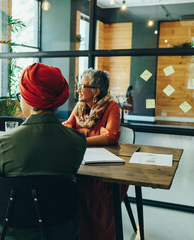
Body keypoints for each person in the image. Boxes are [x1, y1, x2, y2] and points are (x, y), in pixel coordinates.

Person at [0, 62, 87, 240]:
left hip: (10, 233)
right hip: (60, 232)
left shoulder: (3, 143)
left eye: (20, 96)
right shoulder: (77, 142)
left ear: (30, 100)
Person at [62, 68, 126, 240]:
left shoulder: (111, 106)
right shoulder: (80, 106)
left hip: (103, 167)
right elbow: (68, 125)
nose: (77, 90)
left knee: (97, 191)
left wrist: (78, 139)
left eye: (82, 86)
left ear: (96, 91)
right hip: (79, 163)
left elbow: (110, 136)